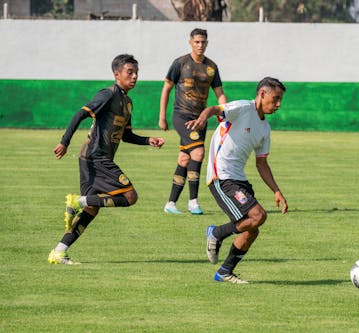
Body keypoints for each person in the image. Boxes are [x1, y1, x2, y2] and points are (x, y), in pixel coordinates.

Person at [48, 54, 165, 265]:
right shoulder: (107, 95)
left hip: (93, 159)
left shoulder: (127, 103)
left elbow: (126, 135)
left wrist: (149, 140)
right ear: (117, 74)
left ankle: (59, 251)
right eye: (130, 72)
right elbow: (80, 114)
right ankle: (76, 201)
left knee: (92, 209)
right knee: (130, 197)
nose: (135, 76)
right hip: (95, 157)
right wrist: (64, 142)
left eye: (136, 72)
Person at [185, 77, 288, 284]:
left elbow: (262, 164)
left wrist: (276, 191)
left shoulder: (264, 129)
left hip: (239, 178)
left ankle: (224, 271)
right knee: (258, 216)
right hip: (221, 175)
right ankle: (216, 232)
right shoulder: (242, 108)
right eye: (275, 99)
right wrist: (202, 118)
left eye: (280, 100)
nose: (278, 104)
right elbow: (215, 109)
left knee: (252, 230)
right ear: (262, 94)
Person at [159, 28, 227, 215]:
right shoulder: (180, 63)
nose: (200, 45)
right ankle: (193, 202)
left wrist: (225, 113)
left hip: (200, 119)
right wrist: (162, 116)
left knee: (185, 158)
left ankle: (171, 203)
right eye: (197, 42)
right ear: (190, 42)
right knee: (198, 152)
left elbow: (219, 93)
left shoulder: (212, 67)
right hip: (181, 116)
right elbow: (166, 88)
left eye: (203, 42)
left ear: (207, 43)